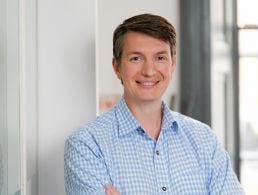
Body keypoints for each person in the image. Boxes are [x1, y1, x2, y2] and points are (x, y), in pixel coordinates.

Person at [64, 13, 244, 194]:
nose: (149, 71)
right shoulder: (87, 145)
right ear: (117, 67)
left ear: (172, 64)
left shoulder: (204, 140)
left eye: (160, 58)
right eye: (136, 58)